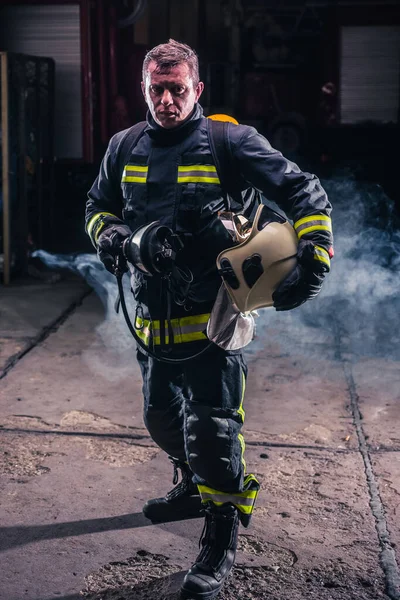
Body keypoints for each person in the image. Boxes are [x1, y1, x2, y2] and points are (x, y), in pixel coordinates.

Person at [85, 39, 333, 600]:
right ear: (145, 89)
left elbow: (303, 190)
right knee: (159, 419)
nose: (167, 100)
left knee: (213, 432)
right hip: (152, 320)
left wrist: (314, 254)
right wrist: (124, 239)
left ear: (198, 89)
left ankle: (219, 538)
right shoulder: (123, 146)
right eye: (157, 89)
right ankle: (192, 484)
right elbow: (95, 208)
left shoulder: (230, 141)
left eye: (177, 89)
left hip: (216, 320)